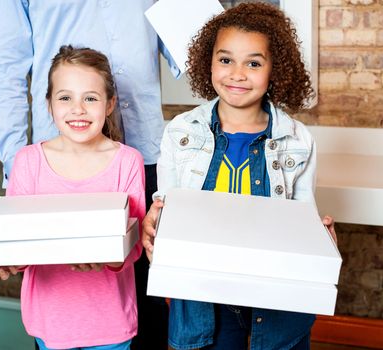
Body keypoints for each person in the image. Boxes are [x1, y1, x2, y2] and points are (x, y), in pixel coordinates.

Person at [142, 3, 337, 350]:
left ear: (275, 69)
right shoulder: (181, 132)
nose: (237, 74)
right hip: (203, 299)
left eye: (254, 63)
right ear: (209, 62)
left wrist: (319, 240)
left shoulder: (298, 140)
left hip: (276, 296)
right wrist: (155, 227)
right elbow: (167, 209)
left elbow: (302, 218)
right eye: (226, 59)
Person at [0, 2, 172, 348]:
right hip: (50, 169)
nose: (78, 106)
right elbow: (2, 67)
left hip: (145, 155)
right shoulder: (31, 165)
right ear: (52, 101)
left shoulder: (127, 160)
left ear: (108, 102)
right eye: (65, 98)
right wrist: (22, 168)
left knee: (149, 307)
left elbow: (196, 40)